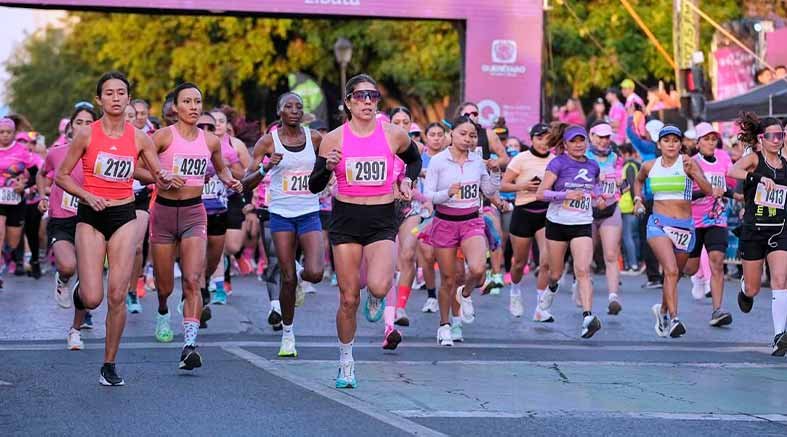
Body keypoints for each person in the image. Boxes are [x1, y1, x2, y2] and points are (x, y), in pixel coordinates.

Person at [55, 71, 170, 386]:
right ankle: (78, 289)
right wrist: (88, 196)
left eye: (121, 92)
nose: (116, 98)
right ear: (99, 99)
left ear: (128, 98)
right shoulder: (86, 135)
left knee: (117, 294)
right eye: (109, 93)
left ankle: (109, 364)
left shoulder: (139, 137)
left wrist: (166, 178)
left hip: (124, 214)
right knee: (93, 298)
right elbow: (62, 176)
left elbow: (155, 173)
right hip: (91, 216)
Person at [307, 74, 421, 388]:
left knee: (381, 286)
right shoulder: (333, 138)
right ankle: (346, 362)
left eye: (373, 96)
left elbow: (414, 159)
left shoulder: (394, 134)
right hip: (346, 218)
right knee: (347, 299)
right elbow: (314, 185)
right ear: (348, 102)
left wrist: (407, 180)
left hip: (382, 217)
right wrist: (327, 168)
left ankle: (376, 297)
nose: (368, 101)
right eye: (361, 96)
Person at [148, 82, 242, 370]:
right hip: (163, 214)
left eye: (197, 101)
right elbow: (139, 168)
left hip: (194, 213)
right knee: (164, 285)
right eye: (187, 101)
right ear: (175, 107)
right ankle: (163, 309)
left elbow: (221, 166)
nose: (193, 107)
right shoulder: (162, 137)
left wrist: (229, 179)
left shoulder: (210, 141)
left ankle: (189, 345)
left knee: (192, 279)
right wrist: (160, 176)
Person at [243, 92, 324, 357]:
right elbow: (247, 182)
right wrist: (266, 168)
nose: (294, 110)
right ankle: (288, 335)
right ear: (279, 111)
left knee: (315, 273)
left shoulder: (314, 138)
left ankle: (302, 274)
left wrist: (328, 172)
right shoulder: (268, 141)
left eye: (298, 106)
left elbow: (327, 166)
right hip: (280, 215)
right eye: (288, 106)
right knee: (286, 278)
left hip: (310, 212)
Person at [424, 115, 500, 345]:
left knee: (477, 270)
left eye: (472, 135)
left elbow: (488, 190)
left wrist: (495, 173)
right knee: (449, 278)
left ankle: (465, 294)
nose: (468, 139)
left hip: (471, 221)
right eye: (463, 134)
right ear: (452, 135)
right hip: (445, 222)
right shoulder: (438, 162)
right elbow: (428, 196)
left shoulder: (477, 161)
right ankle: (445, 325)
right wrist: (447, 193)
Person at [633, 125, 712, 339]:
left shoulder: (688, 164)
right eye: (666, 140)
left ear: (680, 144)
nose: (671, 144)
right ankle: (675, 319)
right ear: (659, 144)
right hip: (658, 224)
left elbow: (708, 191)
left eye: (675, 140)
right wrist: (638, 199)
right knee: (670, 270)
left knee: (675, 274)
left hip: (685, 226)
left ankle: (663, 310)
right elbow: (638, 180)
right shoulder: (650, 165)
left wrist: (696, 173)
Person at [38, 106, 98, 349]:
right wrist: (43, 194)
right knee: (68, 265)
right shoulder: (57, 152)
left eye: (88, 122)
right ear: (70, 126)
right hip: (61, 219)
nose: (83, 126)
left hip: (90, 218)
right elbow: (43, 173)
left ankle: (75, 330)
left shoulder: (99, 154)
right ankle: (63, 279)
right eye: (79, 121)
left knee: (86, 278)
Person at [536, 124, 604, 339]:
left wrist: (600, 197)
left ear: (587, 142)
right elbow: (541, 193)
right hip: (557, 222)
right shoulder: (557, 163)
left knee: (583, 270)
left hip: (582, 223)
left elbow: (596, 189)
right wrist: (564, 195)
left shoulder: (593, 166)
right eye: (573, 141)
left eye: (581, 140)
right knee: (555, 273)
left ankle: (588, 317)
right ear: (565, 144)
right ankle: (551, 289)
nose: (578, 145)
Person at [728, 113, 787, 356]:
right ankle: (744, 288)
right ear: (761, 139)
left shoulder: (785, 164)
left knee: (781, 280)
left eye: (780, 135)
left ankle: (778, 336)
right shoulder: (754, 159)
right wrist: (758, 177)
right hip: (754, 230)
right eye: (771, 136)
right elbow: (733, 171)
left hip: (780, 230)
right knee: (753, 289)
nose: (777, 140)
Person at [683, 122, 735, 327]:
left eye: (714, 139)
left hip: (717, 218)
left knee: (717, 261)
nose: (711, 142)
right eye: (706, 139)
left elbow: (728, 183)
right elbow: (684, 195)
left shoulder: (723, 157)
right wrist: (706, 191)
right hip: (693, 221)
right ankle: (695, 277)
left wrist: (737, 194)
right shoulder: (690, 162)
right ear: (698, 142)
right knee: (689, 267)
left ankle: (717, 310)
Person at [500, 122, 552, 320]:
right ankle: (515, 292)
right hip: (523, 212)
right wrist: (523, 185)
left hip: (546, 213)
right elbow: (503, 185)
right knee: (519, 262)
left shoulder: (556, 160)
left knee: (546, 261)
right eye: (539, 138)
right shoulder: (521, 158)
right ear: (532, 139)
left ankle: (540, 307)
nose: (543, 143)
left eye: (547, 139)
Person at [586, 122, 624, 314]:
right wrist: (596, 193)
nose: (603, 141)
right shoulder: (583, 156)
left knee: (611, 254)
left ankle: (613, 297)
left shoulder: (616, 157)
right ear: (591, 136)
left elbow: (620, 180)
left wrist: (620, 183)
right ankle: (582, 286)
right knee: (586, 256)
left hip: (610, 208)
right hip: (587, 210)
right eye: (599, 137)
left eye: (606, 137)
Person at [0, 117, 42, 290]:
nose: (4, 135)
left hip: (17, 201)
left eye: (8, 132)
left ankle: (5, 256)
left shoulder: (22, 151)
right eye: (1, 132)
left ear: (14, 133)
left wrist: (24, 185)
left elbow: (37, 173)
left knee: (13, 242)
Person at [418, 122, 448, 313]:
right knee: (427, 256)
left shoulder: (451, 158)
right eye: (432, 134)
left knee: (446, 257)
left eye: (440, 134)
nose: (436, 138)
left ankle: (450, 294)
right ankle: (431, 296)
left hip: (447, 211)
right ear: (426, 137)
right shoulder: (418, 159)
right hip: (424, 212)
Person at [618, 143, 642, 274]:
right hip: (630, 206)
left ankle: (633, 264)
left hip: (628, 207)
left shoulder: (629, 166)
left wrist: (635, 203)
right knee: (634, 236)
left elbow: (633, 186)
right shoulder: (635, 165)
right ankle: (635, 262)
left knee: (628, 237)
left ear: (626, 154)